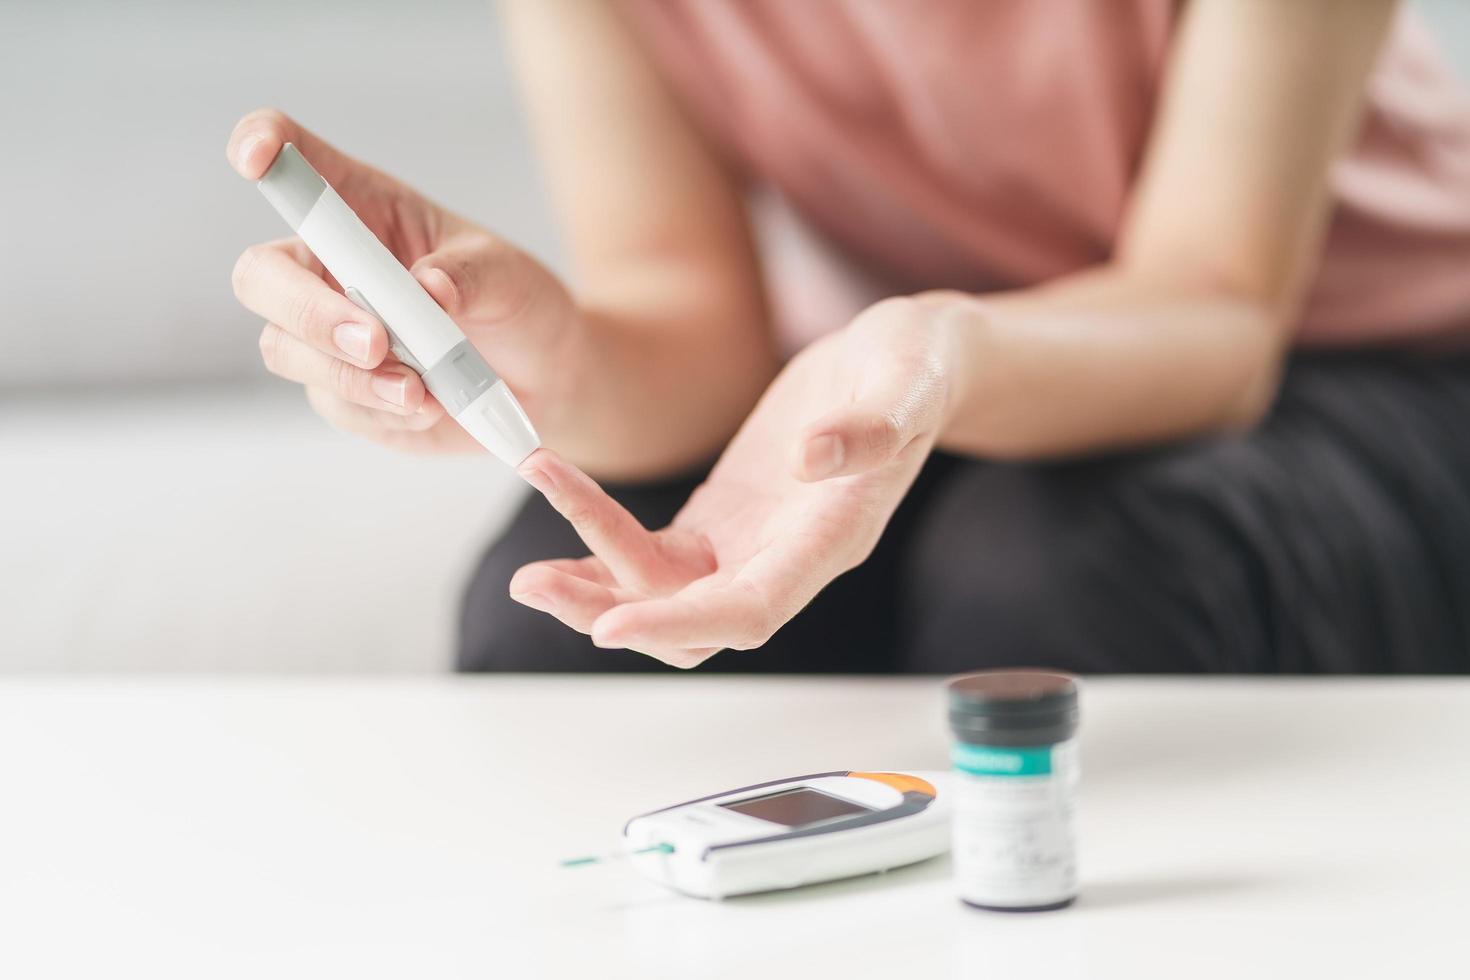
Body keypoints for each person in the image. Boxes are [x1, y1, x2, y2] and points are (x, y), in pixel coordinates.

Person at [227, 0, 1470, 675]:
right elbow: (690, 320)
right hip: (906, 381)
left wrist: (937, 356)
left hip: (1357, 367)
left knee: (1048, 577)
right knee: (568, 628)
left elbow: (1217, 310)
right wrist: (555, 360)